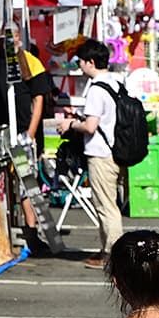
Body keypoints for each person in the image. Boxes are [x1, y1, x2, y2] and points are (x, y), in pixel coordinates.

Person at [61, 39, 122, 267]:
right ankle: (106, 249)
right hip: (115, 151)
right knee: (107, 203)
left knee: (106, 207)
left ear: (91, 62)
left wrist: (71, 125)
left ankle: (113, 255)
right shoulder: (114, 83)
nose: (80, 66)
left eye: (81, 61)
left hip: (101, 153)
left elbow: (90, 126)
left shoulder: (97, 88)